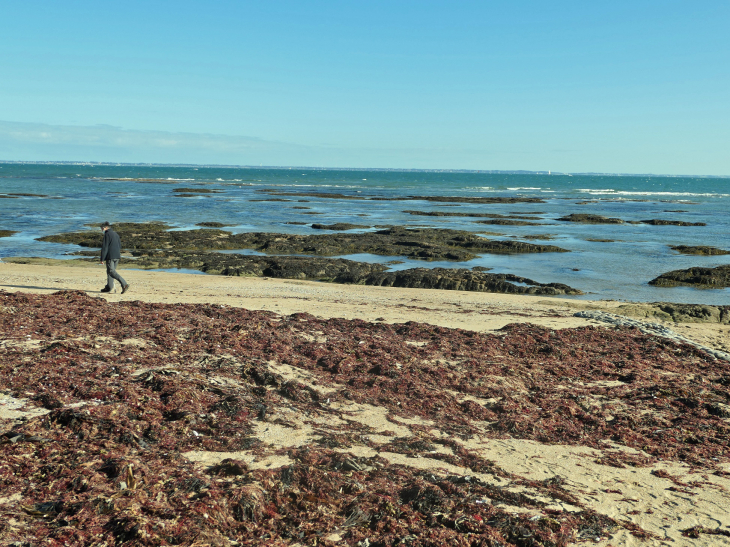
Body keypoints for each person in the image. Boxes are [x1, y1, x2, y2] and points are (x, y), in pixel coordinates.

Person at [99, 221, 130, 294]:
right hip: (117, 256)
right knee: (110, 272)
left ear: (105, 228)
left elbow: (105, 247)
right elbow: (119, 245)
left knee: (111, 271)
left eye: (101, 228)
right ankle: (109, 287)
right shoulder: (116, 234)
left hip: (110, 256)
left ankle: (124, 284)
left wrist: (102, 258)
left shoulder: (107, 235)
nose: (101, 229)